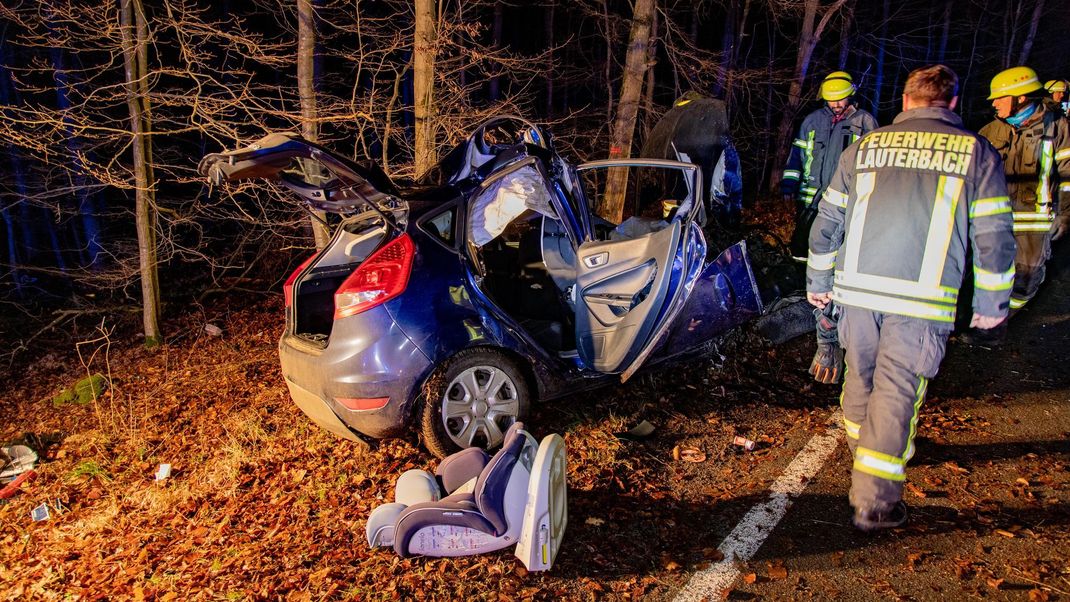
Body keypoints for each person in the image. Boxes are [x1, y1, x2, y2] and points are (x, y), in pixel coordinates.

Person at [807, 64, 1016, 531]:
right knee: (897, 391)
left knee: (860, 375)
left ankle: (867, 449)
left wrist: (819, 286)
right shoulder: (976, 153)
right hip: (921, 300)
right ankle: (875, 501)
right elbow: (995, 238)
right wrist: (991, 310)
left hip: (856, 291)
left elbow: (826, 226)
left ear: (905, 102)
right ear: (953, 104)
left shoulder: (864, 147)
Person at [783, 72, 879, 385]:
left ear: (851, 95)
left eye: (841, 99)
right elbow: (797, 156)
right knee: (803, 252)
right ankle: (805, 294)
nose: (836, 105)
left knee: (836, 257)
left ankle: (832, 308)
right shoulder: (812, 121)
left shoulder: (866, 124)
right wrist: (790, 182)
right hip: (811, 203)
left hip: (845, 208)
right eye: (830, 100)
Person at [974, 67, 1070, 343]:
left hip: (1035, 220)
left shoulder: (1057, 127)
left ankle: (1000, 321)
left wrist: (1064, 214)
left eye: (1000, 98)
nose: (994, 103)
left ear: (1021, 97)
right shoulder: (990, 130)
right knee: (985, 273)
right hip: (993, 218)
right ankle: (982, 325)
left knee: (1026, 279)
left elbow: (1068, 174)